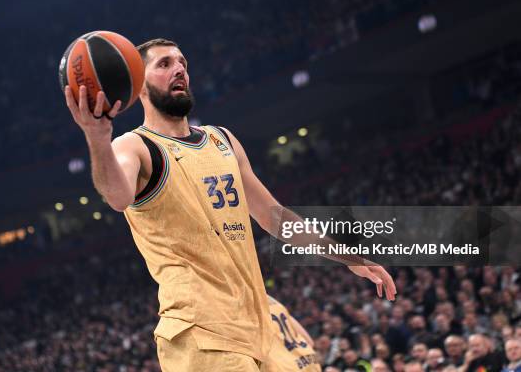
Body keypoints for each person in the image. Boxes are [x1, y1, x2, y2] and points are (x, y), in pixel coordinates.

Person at [64, 38, 397, 371]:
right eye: (164, 64)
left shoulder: (221, 139)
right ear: (139, 85)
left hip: (256, 327)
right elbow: (118, 197)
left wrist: (348, 256)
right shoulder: (134, 146)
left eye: (182, 63)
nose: (179, 69)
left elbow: (275, 217)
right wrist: (97, 138)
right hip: (200, 331)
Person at [263, 295, 321, 372]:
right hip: (308, 360)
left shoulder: (246, 309)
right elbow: (309, 341)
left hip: (282, 367)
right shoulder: (277, 304)